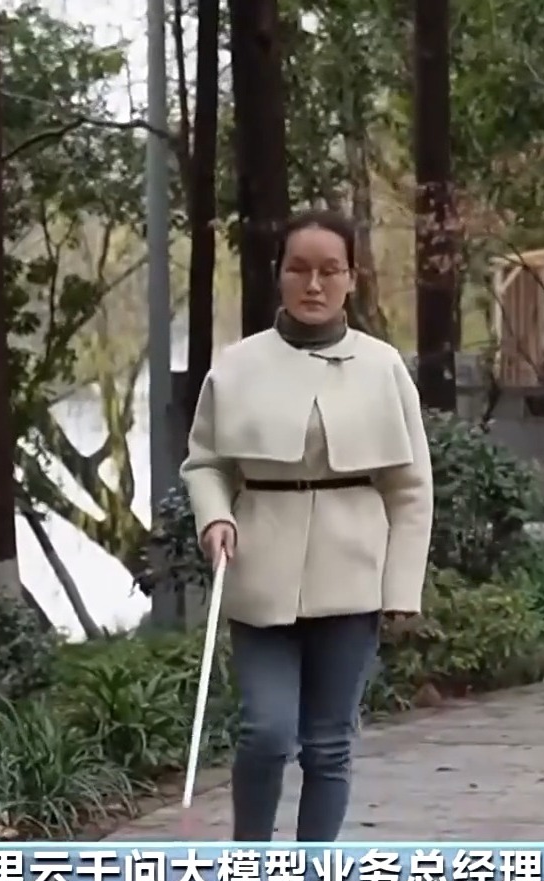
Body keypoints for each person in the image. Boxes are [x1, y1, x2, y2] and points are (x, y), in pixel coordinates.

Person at [181, 210, 434, 842]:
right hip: (259, 572)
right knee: (266, 732)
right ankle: (250, 866)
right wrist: (215, 516)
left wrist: (402, 588)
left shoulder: (383, 367)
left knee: (328, 744)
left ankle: (310, 878)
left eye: (329, 270)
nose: (314, 285)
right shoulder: (237, 366)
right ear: (279, 275)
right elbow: (206, 463)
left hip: (352, 576)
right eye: (299, 269)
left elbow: (410, 489)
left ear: (352, 277)